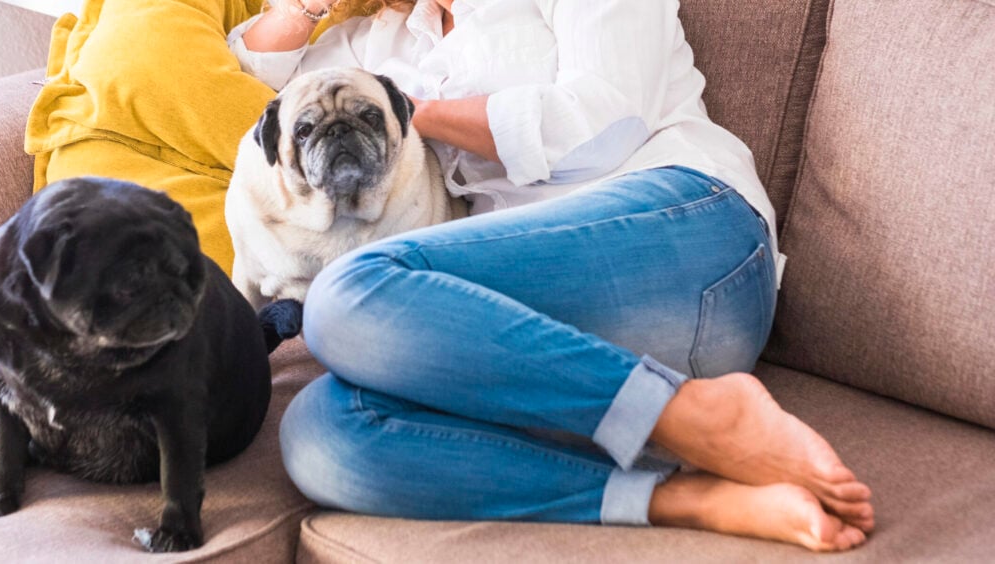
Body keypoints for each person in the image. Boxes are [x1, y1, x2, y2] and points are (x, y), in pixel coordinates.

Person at [227, 0, 874, 551]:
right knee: (322, 433)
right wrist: (304, 10)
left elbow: (599, 124)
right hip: (546, 346)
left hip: (688, 241)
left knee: (342, 298)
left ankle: (688, 415)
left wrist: (404, 111)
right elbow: (257, 76)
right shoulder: (378, 42)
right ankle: (680, 495)